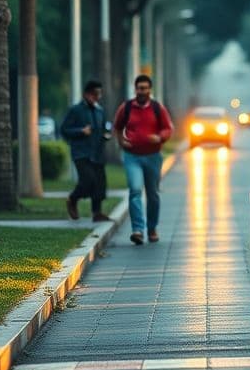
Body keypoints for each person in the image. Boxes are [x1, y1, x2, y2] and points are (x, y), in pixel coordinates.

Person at [112, 74, 173, 245]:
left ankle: (152, 228)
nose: (142, 91)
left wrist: (160, 137)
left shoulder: (157, 108)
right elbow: (117, 127)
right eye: (139, 88)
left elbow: (168, 129)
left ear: (149, 90)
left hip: (153, 156)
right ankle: (138, 229)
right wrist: (121, 141)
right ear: (135, 89)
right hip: (132, 156)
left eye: (145, 88)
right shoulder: (127, 108)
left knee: (152, 193)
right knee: (135, 190)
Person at [61, 80, 113, 223]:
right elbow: (64, 130)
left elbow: (105, 128)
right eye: (95, 93)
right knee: (88, 181)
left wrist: (106, 134)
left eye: (99, 93)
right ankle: (73, 199)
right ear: (86, 94)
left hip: (98, 153)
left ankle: (97, 213)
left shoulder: (100, 111)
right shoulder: (76, 110)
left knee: (100, 184)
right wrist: (80, 131)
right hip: (81, 153)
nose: (97, 96)